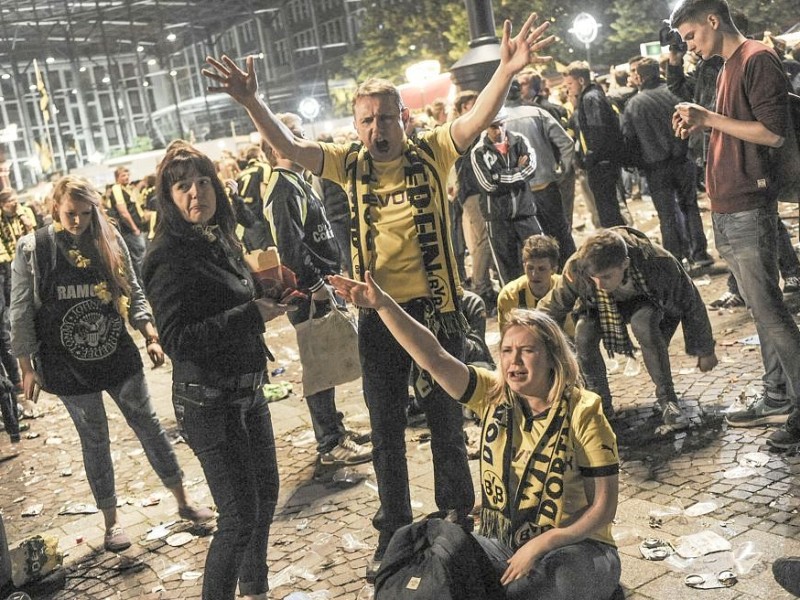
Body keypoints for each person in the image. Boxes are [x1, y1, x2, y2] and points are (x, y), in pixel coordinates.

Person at [202, 11, 556, 581]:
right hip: (378, 318)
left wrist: (508, 69)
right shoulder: (348, 163)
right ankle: (394, 528)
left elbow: (475, 117)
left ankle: (457, 516)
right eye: (367, 120)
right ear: (357, 124)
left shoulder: (432, 150)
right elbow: (291, 148)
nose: (376, 129)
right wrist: (250, 102)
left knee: (446, 422)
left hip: (436, 314)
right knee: (387, 428)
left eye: (385, 118)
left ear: (403, 118)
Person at [329, 271, 621, 600]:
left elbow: (603, 509)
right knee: (434, 559)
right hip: (504, 541)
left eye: (527, 350)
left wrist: (545, 542)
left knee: (557, 583)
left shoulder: (584, 411)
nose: (515, 361)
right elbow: (434, 356)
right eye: (508, 351)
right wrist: (383, 305)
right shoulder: (492, 394)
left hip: (576, 546)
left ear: (553, 357)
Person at [9, 175, 213, 554]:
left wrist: (149, 334)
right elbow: (19, 310)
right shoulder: (33, 248)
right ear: (55, 207)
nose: (78, 222)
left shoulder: (108, 238)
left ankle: (183, 499)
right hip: (65, 363)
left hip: (116, 353)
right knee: (95, 440)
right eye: (71, 214)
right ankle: (111, 521)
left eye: (86, 214)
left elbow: (132, 290)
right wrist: (26, 364)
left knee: (149, 425)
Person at [142, 141, 290, 600]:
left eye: (203, 182)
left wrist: (267, 290)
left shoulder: (218, 235)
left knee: (265, 499)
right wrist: (253, 314)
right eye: (182, 186)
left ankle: (256, 590)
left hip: (248, 391)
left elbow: (233, 294)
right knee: (239, 516)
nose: (195, 194)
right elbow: (178, 340)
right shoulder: (166, 254)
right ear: (168, 197)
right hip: (206, 400)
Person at [671, 0, 800, 448]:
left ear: (711, 20)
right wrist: (702, 124)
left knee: (772, 312)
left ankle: (796, 405)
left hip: (748, 204)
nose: (689, 46)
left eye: (691, 36)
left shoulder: (756, 58)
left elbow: (772, 132)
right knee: (759, 307)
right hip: (728, 205)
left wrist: (707, 118)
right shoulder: (727, 65)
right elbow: (736, 126)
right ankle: (776, 394)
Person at [262, 112, 372, 468]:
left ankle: (335, 429)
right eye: (288, 135)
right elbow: (291, 247)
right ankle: (328, 442)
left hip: (324, 284)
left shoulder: (299, 180)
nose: (297, 140)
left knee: (327, 358)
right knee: (318, 365)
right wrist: (316, 284)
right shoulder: (281, 188)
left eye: (298, 133)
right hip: (312, 290)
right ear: (272, 145)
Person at [538, 228, 718, 431]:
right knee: (584, 334)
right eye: (594, 277)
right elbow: (552, 305)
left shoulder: (656, 261)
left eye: (606, 277)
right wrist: (528, 334)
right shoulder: (577, 268)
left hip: (645, 301)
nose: (599, 283)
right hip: (599, 307)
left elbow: (690, 299)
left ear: (625, 263)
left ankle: (668, 401)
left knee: (644, 327)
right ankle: (600, 406)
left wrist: (705, 350)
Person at [622, 57, 713, 268]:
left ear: (641, 76)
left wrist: (637, 163)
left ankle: (676, 259)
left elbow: (629, 139)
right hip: (684, 160)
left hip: (656, 167)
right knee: (690, 206)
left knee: (667, 215)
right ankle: (700, 254)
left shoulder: (634, 104)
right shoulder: (675, 93)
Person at [470, 110, 542, 286]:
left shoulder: (520, 141)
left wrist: (500, 176)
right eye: (493, 127)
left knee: (539, 258)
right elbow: (488, 185)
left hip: (525, 213)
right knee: (507, 268)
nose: (498, 130)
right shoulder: (478, 152)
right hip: (498, 219)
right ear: (485, 128)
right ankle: (515, 307)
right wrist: (517, 171)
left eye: (501, 125)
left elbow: (531, 169)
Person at [562, 61, 628, 228]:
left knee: (608, 212)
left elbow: (598, 132)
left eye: (570, 83)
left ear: (581, 81)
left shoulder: (590, 98)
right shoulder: (594, 95)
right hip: (604, 162)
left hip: (601, 165)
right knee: (609, 210)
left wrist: (590, 159)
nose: (568, 88)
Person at [497, 235, 566, 332]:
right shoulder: (509, 296)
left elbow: (572, 337)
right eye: (530, 268)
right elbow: (508, 338)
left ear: (554, 269)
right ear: (524, 266)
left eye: (541, 269)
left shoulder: (565, 290)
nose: (534, 274)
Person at [107, 167, 147, 285]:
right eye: (123, 175)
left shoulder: (128, 189)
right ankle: (143, 287)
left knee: (140, 258)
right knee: (139, 259)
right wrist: (134, 228)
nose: (126, 177)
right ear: (117, 178)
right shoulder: (117, 189)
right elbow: (123, 212)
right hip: (130, 231)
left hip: (138, 228)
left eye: (127, 175)